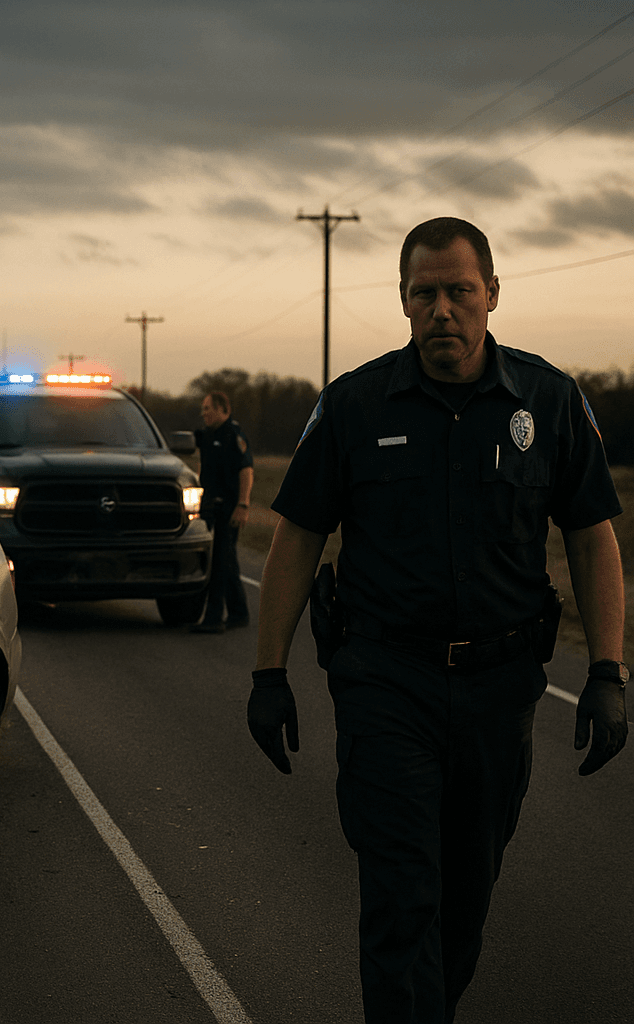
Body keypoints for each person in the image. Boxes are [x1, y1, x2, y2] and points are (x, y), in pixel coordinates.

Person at [246, 216, 626, 1024]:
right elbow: (296, 540)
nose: (442, 309)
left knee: (463, 900)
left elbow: (592, 539)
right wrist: (268, 673)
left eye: (460, 291)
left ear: (492, 293)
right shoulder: (352, 407)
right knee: (401, 895)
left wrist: (606, 672)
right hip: (387, 685)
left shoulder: (549, 403)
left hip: (500, 691)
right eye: (425, 294)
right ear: (403, 301)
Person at [191, 391, 254, 633]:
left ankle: (213, 618)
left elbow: (246, 470)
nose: (203, 413)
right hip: (209, 507)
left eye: (208, 408)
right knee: (225, 561)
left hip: (229, 507)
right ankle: (239, 613)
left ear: (223, 410)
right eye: (203, 408)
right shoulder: (208, 435)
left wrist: (243, 504)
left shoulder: (232, 435)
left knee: (220, 562)